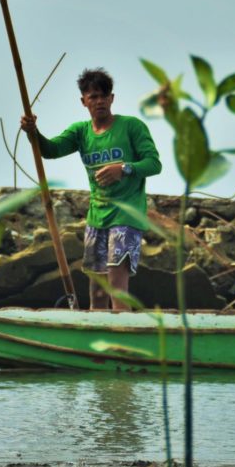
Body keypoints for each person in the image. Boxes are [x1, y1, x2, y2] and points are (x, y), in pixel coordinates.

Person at [21, 68, 162, 310]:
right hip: (97, 217)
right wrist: (33, 133)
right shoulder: (80, 132)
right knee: (97, 291)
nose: (99, 101)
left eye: (103, 96)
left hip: (126, 216)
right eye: (93, 97)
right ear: (83, 101)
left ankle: (123, 341)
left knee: (116, 286)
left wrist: (124, 168)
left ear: (112, 98)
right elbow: (50, 150)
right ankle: (97, 344)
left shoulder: (131, 127)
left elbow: (154, 164)